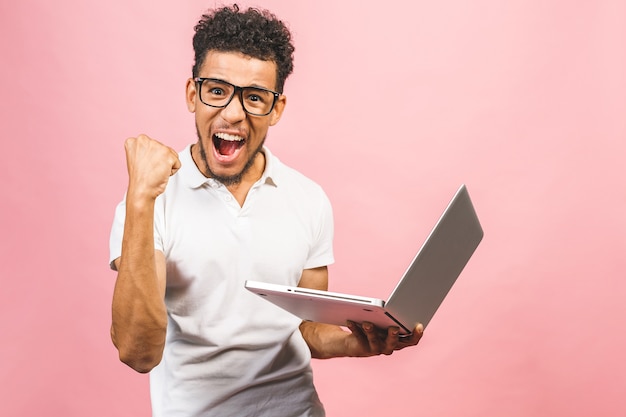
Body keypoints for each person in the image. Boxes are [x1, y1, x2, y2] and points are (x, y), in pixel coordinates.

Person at [109, 4, 423, 416]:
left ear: (276, 108)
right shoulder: (152, 203)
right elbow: (138, 351)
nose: (234, 113)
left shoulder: (308, 199)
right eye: (217, 90)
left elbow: (303, 328)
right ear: (192, 94)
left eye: (255, 97)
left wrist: (355, 342)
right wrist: (140, 200)